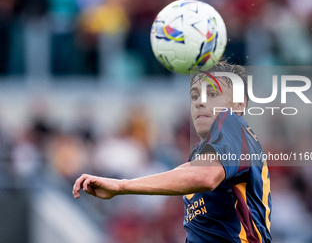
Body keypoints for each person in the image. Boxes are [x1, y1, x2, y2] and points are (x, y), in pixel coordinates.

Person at [72, 61, 272, 243]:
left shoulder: (231, 124)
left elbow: (205, 176)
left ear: (239, 104)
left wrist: (121, 186)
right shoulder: (204, 153)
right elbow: (193, 171)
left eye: (212, 93)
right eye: (195, 95)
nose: (200, 102)